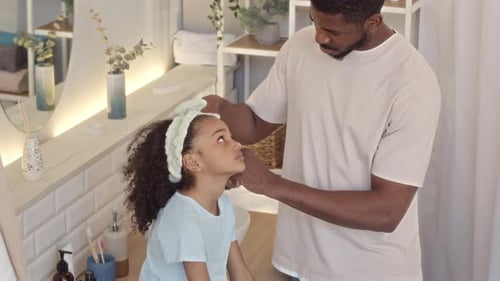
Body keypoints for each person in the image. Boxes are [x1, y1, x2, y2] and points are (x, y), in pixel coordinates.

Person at [203, 0, 441, 280]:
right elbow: (255, 122)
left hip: (368, 270)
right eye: (315, 22)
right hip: (294, 261)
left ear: (372, 22)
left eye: (333, 31)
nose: (319, 37)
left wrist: (270, 184)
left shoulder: (412, 83)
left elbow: (385, 212)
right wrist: (218, 108)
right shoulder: (300, 46)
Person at [123, 98, 255, 281]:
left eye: (230, 137)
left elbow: (240, 273)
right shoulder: (183, 217)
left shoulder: (222, 205)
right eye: (221, 139)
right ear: (192, 162)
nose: (236, 144)